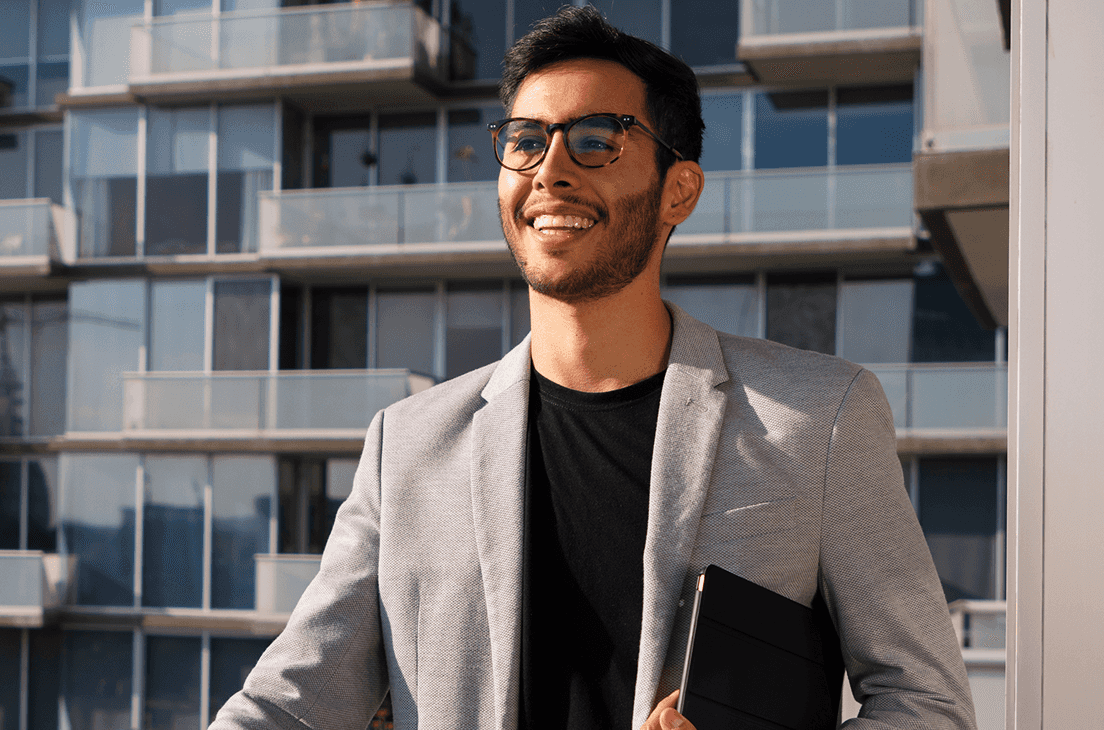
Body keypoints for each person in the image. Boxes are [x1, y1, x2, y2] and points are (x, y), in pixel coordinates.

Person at [212, 6, 976, 730]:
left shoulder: (817, 420)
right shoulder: (406, 446)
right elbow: (290, 706)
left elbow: (926, 704)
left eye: (596, 138)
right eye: (525, 140)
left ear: (679, 189)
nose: (550, 170)